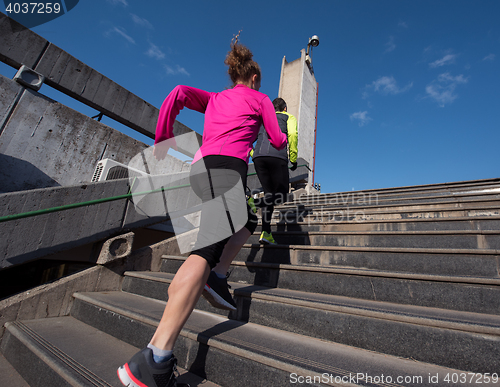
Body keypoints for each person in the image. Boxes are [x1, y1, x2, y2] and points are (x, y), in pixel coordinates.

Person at [117, 34, 287, 387]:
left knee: (248, 220)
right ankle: (155, 357)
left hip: (202, 169)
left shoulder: (215, 98)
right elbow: (278, 137)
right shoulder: (259, 99)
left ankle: (218, 275)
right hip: (228, 168)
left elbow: (178, 92)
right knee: (205, 251)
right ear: (255, 78)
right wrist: (275, 130)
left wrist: (163, 137)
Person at [251, 97, 298, 245]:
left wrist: (254, 154)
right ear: (284, 108)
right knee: (282, 195)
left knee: (270, 196)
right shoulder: (288, 117)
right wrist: (293, 158)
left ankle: (266, 233)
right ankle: (252, 203)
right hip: (277, 156)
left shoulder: (263, 118)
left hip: (259, 157)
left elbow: (248, 136)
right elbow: (292, 135)